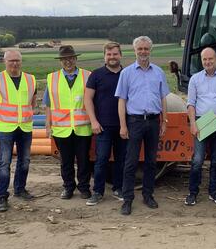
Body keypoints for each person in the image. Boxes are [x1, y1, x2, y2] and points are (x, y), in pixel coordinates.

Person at [116, 36, 169, 215]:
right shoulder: (127, 73)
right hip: (135, 122)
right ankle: (128, 199)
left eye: (146, 49)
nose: (143, 52)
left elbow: (163, 98)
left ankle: (148, 195)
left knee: (151, 162)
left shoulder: (159, 72)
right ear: (135, 50)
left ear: (150, 50)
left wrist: (165, 120)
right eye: (140, 49)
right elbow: (122, 100)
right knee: (130, 162)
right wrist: (123, 125)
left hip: (154, 121)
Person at [0, 49, 37, 212]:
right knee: (4, 162)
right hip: (6, 128)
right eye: (11, 60)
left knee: (25, 161)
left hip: (25, 127)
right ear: (5, 62)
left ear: (21, 61)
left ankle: (20, 189)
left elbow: (32, 102)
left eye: (17, 60)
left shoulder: (31, 79)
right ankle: (2, 196)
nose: (14, 63)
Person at [185, 47, 216, 206]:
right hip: (201, 122)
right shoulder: (195, 79)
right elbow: (191, 103)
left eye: (210, 59)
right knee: (198, 159)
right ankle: (193, 192)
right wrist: (193, 124)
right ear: (201, 60)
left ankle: (214, 192)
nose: (207, 62)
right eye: (204, 59)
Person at [44, 45, 92, 200]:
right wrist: (47, 124)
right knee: (66, 161)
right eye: (64, 59)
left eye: (70, 58)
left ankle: (84, 187)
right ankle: (68, 187)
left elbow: (93, 100)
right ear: (60, 61)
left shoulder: (87, 76)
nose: (68, 62)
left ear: (76, 59)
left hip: (83, 127)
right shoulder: (52, 78)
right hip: (61, 129)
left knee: (84, 160)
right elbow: (48, 104)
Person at [84, 41, 127, 206]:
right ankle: (97, 192)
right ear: (105, 56)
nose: (112, 57)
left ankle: (118, 188)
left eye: (115, 54)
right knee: (101, 160)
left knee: (121, 159)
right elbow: (88, 99)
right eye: (109, 54)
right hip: (103, 126)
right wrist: (93, 121)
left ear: (120, 55)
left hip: (124, 125)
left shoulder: (128, 74)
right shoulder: (96, 75)